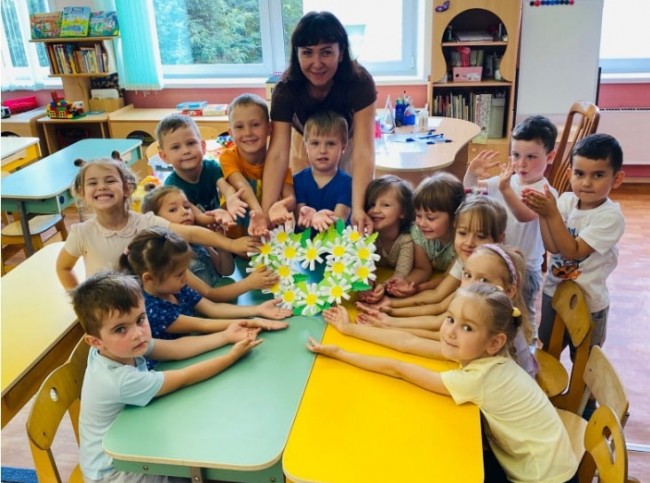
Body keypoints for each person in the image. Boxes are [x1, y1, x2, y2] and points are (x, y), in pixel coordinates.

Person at [308, 283, 578, 483]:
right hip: (548, 461)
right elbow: (407, 342)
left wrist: (341, 353)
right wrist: (350, 330)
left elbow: (398, 369)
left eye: (467, 327)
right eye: (450, 319)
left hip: (546, 477)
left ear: (495, 342)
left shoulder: (478, 377)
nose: (450, 332)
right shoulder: (482, 353)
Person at [73, 271, 264, 482]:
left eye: (140, 319)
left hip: (134, 444)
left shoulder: (120, 347)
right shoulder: (118, 380)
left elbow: (176, 348)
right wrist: (232, 356)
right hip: (119, 473)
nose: (137, 333)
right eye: (120, 329)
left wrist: (226, 336)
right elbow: (184, 376)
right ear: (96, 342)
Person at [56, 159, 259, 291]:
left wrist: (231, 245)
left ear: (127, 188)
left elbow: (191, 233)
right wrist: (78, 298)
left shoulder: (145, 222)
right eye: (93, 183)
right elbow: (64, 268)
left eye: (110, 181)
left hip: (146, 309)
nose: (101, 187)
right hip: (108, 311)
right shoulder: (81, 233)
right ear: (82, 192)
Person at [339, 244, 538, 377]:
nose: (470, 285)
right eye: (467, 275)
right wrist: (388, 323)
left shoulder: (491, 332)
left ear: (509, 291)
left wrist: (353, 329)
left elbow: (410, 345)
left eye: (484, 280)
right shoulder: (480, 310)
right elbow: (437, 332)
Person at [261, 11, 377, 234]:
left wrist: (359, 208)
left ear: (341, 52)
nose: (316, 63)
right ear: (296, 54)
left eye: (326, 52)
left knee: (345, 204)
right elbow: (277, 154)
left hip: (346, 142)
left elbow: (364, 150)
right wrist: (266, 213)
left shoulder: (359, 82)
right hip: (304, 139)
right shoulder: (286, 89)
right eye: (307, 53)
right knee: (304, 206)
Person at [522, 133, 625, 350]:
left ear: (616, 179)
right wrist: (543, 213)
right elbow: (552, 247)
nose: (586, 183)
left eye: (598, 175)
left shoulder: (610, 217)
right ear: (569, 174)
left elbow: (573, 251)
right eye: (579, 173)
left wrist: (551, 214)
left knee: (584, 361)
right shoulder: (566, 201)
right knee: (548, 350)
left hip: (589, 303)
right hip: (554, 292)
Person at [465, 115, 559, 336]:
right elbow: (469, 192)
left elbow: (524, 215)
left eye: (531, 157)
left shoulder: (546, 193)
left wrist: (505, 189)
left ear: (550, 156)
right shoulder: (507, 180)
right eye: (516, 155)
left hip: (525, 270)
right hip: (498, 263)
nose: (521, 163)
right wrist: (471, 173)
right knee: (496, 310)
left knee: (524, 316)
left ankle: (529, 347)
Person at [119, 227, 290, 340]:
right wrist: (253, 322)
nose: (185, 278)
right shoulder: (151, 308)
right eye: (179, 274)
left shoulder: (176, 287)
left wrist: (257, 310)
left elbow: (212, 308)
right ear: (149, 278)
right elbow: (203, 325)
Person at [365, 195, 507, 324]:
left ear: (500, 239)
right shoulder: (465, 259)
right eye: (463, 233)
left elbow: (440, 318)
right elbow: (437, 296)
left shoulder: (492, 271)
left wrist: (390, 319)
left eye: (481, 237)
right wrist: (389, 304)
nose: (469, 243)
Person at [141, 185, 278, 298]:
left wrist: (221, 245)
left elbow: (226, 270)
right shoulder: (172, 258)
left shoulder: (199, 241)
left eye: (187, 206)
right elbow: (210, 295)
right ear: (158, 221)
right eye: (173, 210)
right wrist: (249, 283)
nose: (184, 212)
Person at [219, 93, 295, 237]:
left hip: (270, 237)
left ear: (269, 128)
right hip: (236, 237)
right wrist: (260, 214)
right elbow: (242, 185)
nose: (248, 133)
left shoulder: (278, 165)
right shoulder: (228, 157)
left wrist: (282, 205)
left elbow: (291, 198)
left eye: (255, 125)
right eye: (239, 127)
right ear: (230, 133)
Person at [387, 172, 466, 298]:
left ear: (455, 216)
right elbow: (423, 269)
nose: (422, 223)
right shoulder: (418, 233)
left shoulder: (463, 241)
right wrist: (406, 283)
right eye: (418, 215)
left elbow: (448, 278)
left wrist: (419, 289)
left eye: (431, 218)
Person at [158, 113, 232, 217]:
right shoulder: (172, 187)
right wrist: (224, 215)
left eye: (191, 143)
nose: (186, 151)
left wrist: (233, 201)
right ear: (164, 156)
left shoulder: (211, 167)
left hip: (218, 219)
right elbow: (200, 218)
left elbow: (227, 189)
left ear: (203, 147)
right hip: (193, 225)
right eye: (176, 147)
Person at [357, 175, 414, 304]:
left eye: (385, 205)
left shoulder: (406, 240)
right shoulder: (369, 237)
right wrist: (366, 288)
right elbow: (365, 268)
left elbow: (400, 275)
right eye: (372, 204)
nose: (375, 210)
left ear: (403, 212)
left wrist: (383, 287)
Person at [293, 110, 352, 231]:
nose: (323, 150)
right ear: (306, 147)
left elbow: (340, 222)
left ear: (343, 147)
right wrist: (310, 217)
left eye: (330, 143)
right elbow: (301, 223)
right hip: (304, 242)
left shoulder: (348, 183)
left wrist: (320, 218)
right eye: (315, 143)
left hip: (336, 242)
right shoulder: (297, 181)